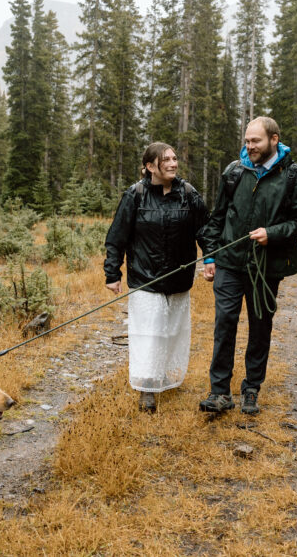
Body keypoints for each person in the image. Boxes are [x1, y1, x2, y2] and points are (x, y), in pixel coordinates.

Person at [198, 117, 297, 415]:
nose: (249, 146)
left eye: (256, 141)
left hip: (267, 266)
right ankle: (219, 391)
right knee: (225, 322)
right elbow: (217, 218)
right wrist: (210, 256)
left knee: (260, 327)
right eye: (247, 141)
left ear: (274, 139)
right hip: (229, 263)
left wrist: (271, 234)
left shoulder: (294, 177)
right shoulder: (234, 172)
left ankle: (252, 388)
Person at [104, 142, 215, 413]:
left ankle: (166, 377)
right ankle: (147, 388)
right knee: (149, 333)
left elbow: (206, 230)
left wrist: (210, 258)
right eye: (165, 159)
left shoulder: (188, 194)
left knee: (173, 331)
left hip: (179, 279)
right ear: (150, 166)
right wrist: (112, 272)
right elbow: (117, 236)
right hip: (146, 279)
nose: (173, 163)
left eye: (175, 158)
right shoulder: (135, 195)